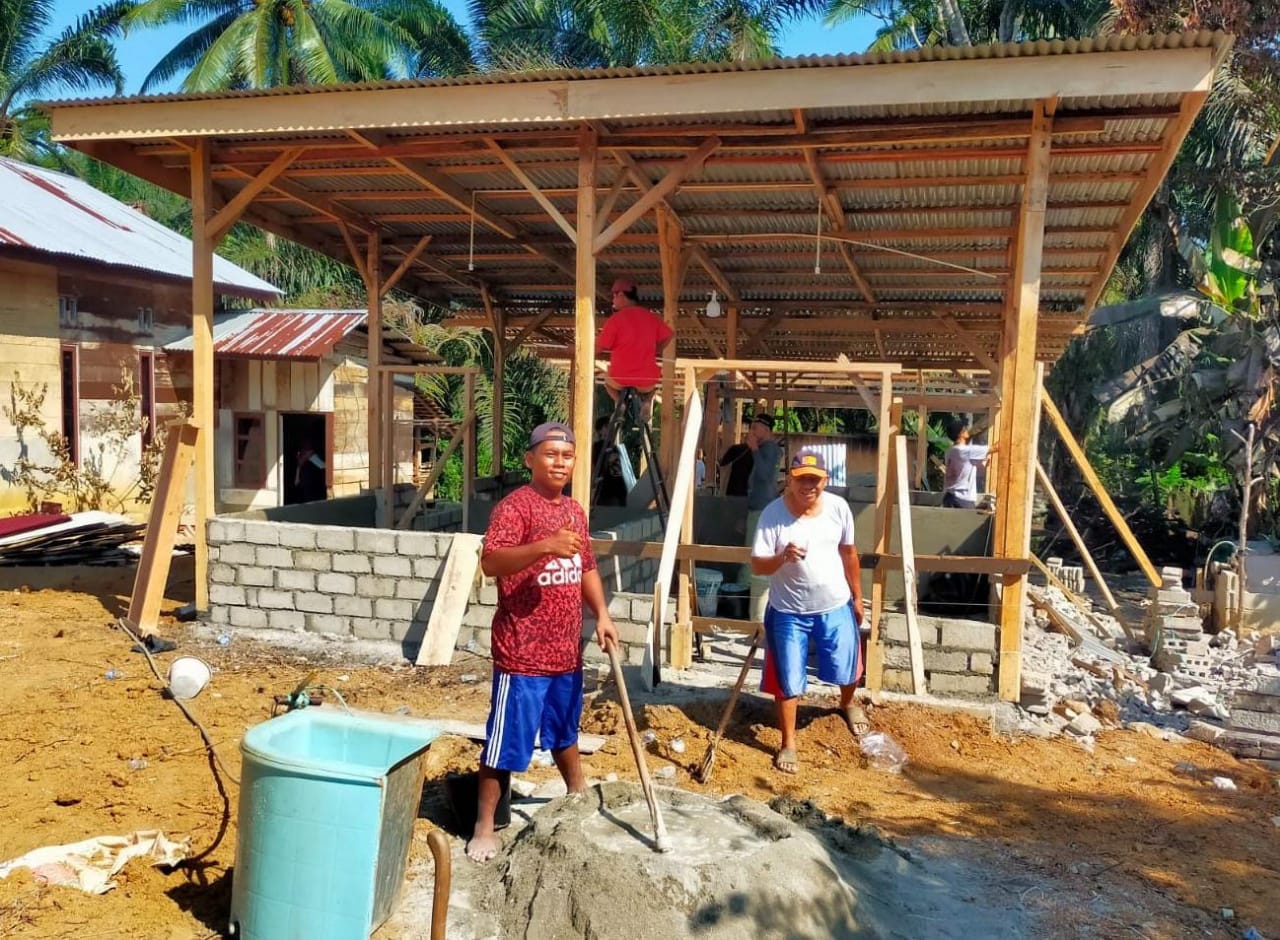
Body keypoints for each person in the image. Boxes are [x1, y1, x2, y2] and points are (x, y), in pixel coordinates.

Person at [467, 422, 620, 863]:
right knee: (506, 741)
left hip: (565, 650)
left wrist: (603, 614)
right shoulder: (516, 508)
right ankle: (484, 826)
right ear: (530, 459)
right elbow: (491, 562)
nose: (559, 462)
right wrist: (544, 546)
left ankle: (577, 795)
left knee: (564, 731)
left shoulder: (574, 510)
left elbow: (586, 565)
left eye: (567, 456)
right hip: (522, 653)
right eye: (550, 454)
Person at [751, 449, 866, 776]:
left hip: (835, 604)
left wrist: (857, 597)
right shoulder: (773, 516)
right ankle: (788, 742)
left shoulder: (838, 509)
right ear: (790, 479)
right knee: (788, 679)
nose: (808, 486)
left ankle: (848, 704)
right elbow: (758, 564)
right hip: (789, 611)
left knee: (848, 665)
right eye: (802, 480)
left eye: (815, 480)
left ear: (825, 481)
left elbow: (849, 553)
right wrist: (782, 558)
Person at [596, 278, 674, 423]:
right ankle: (647, 402)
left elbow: (598, 347)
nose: (613, 299)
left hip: (619, 378)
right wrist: (657, 349)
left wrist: (576, 349)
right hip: (646, 380)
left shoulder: (615, 320)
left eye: (614, 295)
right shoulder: (651, 317)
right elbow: (669, 334)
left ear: (621, 295)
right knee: (653, 386)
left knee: (605, 379)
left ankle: (621, 404)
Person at [740, 414, 783, 620]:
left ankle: (752, 605)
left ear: (766, 430)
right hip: (755, 506)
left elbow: (765, 475)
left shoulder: (770, 450)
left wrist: (754, 450)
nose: (752, 432)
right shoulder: (765, 450)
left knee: (752, 554)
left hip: (761, 508)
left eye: (755, 428)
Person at [943, 420, 992, 509]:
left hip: (949, 497)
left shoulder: (950, 451)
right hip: (963, 499)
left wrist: (983, 463)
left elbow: (967, 467)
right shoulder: (965, 451)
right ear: (960, 434)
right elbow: (995, 448)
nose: (967, 430)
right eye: (964, 429)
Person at [591, 415, 628, 507]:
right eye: (606, 427)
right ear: (600, 430)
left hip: (616, 491)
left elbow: (617, 470)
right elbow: (598, 465)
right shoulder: (598, 447)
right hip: (606, 492)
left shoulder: (613, 447)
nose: (610, 429)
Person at [717, 430, 753, 497]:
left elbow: (722, 463)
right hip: (746, 491)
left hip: (732, 488)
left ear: (745, 439)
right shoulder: (755, 454)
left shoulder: (735, 448)